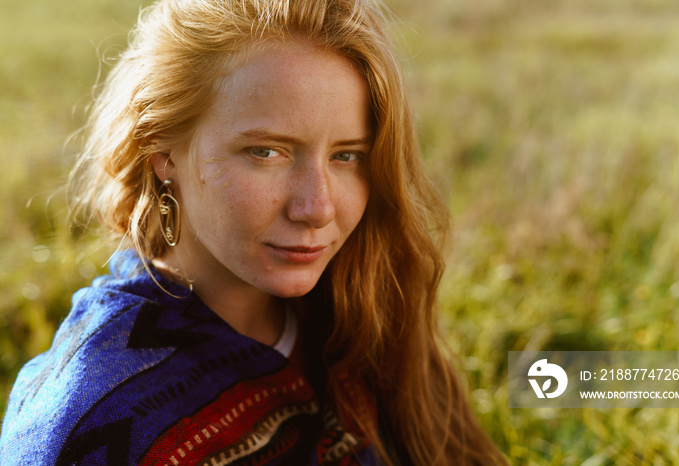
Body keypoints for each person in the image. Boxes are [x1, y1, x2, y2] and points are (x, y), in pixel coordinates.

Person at [0, 0, 507, 464]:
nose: (317, 208)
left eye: (346, 156)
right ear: (164, 155)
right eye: (266, 151)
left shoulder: (359, 309)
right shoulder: (90, 420)